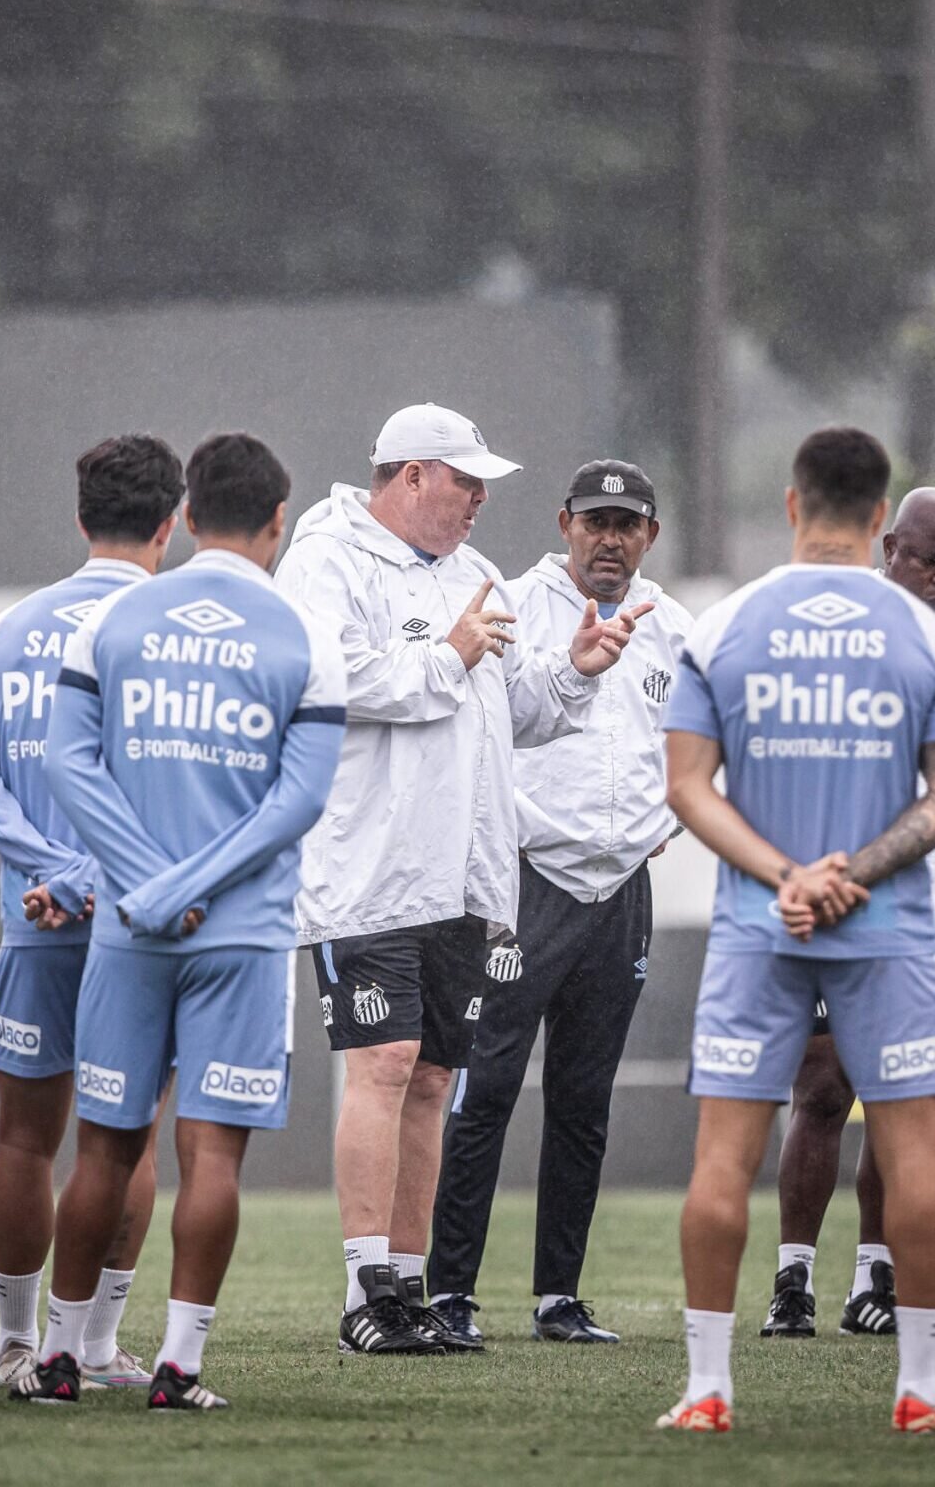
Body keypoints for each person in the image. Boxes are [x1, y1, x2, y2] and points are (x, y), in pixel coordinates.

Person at [275, 403, 644, 1355]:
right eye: (465, 479)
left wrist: (573, 672)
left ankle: (412, 1291)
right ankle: (366, 1293)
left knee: (435, 1078)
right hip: (367, 867)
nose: (481, 498)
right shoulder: (326, 560)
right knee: (385, 1064)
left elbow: (507, 710)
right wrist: (447, 654)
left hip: (463, 877)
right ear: (408, 476)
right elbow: (330, 684)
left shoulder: (476, 576)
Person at [655, 426, 935, 1436]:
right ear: (882, 517)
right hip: (888, 927)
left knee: (721, 1160)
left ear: (792, 505)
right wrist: (855, 872)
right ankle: (918, 1390)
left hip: (760, 924)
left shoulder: (721, 627)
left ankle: (708, 1389)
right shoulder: (934, 639)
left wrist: (784, 875)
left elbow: (684, 788)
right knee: (914, 1159)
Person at [12, 431, 346, 1411]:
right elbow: (298, 801)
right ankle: (178, 1367)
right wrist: (194, 880)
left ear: (188, 518)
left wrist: (147, 883)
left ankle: (62, 1357)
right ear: (279, 523)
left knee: (104, 1147)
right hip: (239, 934)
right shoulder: (303, 634)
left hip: (127, 926)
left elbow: (70, 764)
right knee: (212, 1152)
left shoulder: (112, 621)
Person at [425, 459, 691, 1348]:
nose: (610, 539)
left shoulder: (673, 630)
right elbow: (480, 734)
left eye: (628, 524)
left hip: (620, 889)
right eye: (595, 521)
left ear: (650, 535)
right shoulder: (512, 603)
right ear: (565, 522)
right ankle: (450, 1291)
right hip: (526, 881)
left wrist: (671, 823)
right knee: (487, 1085)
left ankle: (557, 1297)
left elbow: (694, 754)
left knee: (585, 1098)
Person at [765, 486, 935, 1340]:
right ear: (889, 550)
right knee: (821, 1086)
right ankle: (791, 1282)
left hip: (934, 915)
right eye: (931, 558)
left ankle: (873, 1281)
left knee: (896, 1099)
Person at [0, 435, 183, 1390]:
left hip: (34, 922)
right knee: (122, 1140)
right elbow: (164, 791)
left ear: (80, 518)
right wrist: (86, 876)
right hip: (138, 925)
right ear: (170, 525)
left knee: (23, 1142)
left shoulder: (9, 629)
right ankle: (93, 1345)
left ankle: (15, 1344)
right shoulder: (169, 633)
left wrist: (47, 871)